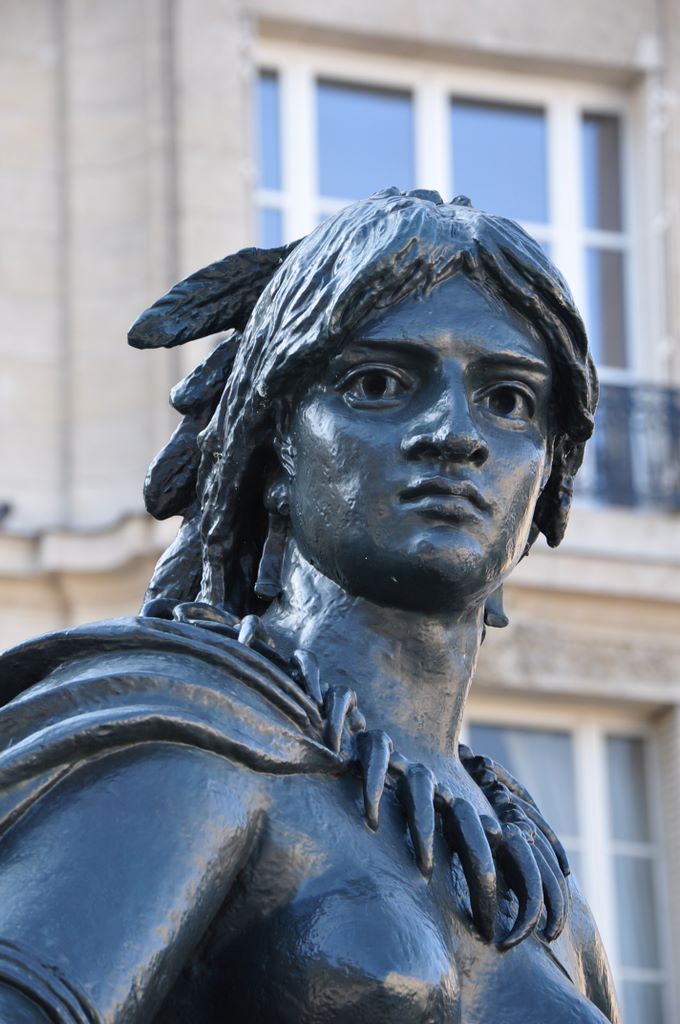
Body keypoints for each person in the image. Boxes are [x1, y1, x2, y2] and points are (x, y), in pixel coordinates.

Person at [0, 189, 619, 1023]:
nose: (453, 431)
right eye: (377, 383)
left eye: (509, 399)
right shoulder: (192, 745)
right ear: (277, 443)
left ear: (551, 472)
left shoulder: (543, 884)